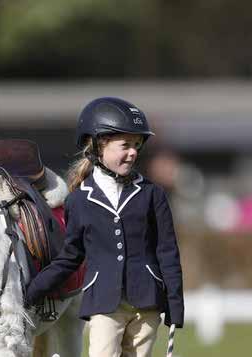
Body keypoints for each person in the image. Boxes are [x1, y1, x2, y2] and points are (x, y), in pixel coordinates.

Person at [25, 97, 184, 357]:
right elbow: (70, 257)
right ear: (99, 146)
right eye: (125, 145)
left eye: (136, 145)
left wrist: (175, 304)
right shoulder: (78, 200)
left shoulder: (153, 194)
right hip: (103, 300)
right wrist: (32, 291)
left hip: (147, 302)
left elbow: (167, 251)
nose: (133, 152)